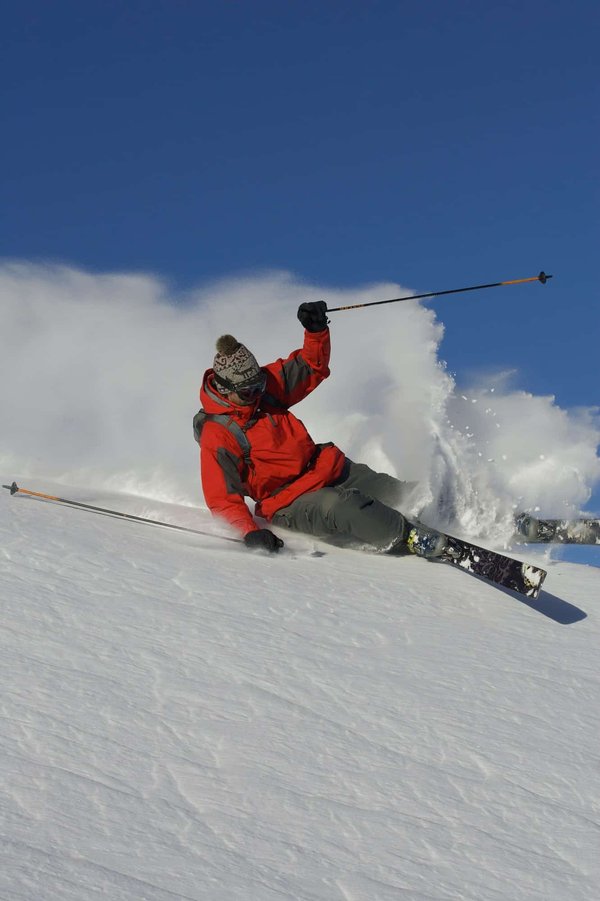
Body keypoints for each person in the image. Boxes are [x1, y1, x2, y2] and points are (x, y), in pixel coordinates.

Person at [195, 301, 444, 557]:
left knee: (396, 493)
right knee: (345, 507)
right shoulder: (218, 434)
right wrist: (249, 531)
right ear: (226, 390)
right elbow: (222, 499)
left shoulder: (263, 388)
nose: (257, 394)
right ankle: (411, 538)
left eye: (259, 385)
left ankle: (448, 515)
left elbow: (310, 366)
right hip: (288, 501)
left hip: (326, 467)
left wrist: (315, 331)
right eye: (248, 392)